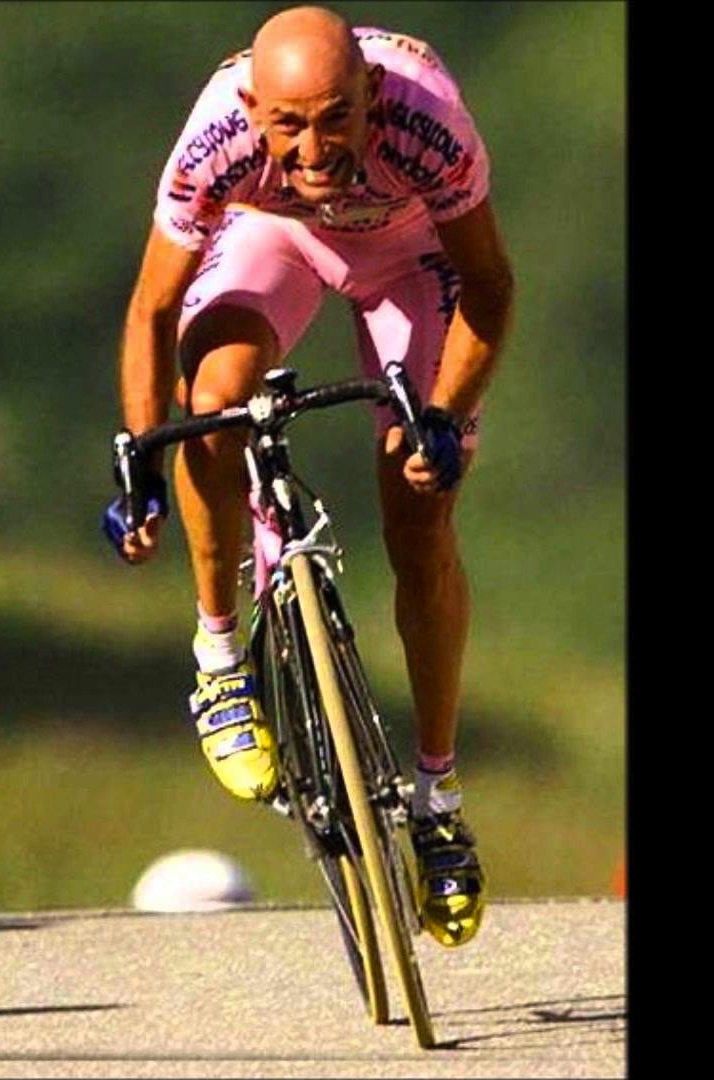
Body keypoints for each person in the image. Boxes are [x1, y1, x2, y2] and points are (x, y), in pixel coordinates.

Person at [101, 7, 513, 947]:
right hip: (271, 240)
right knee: (214, 397)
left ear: (371, 95)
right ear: (254, 108)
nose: (315, 148)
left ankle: (439, 802)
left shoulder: (428, 118)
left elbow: (490, 285)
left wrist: (444, 418)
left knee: (419, 504)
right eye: (288, 125)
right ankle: (218, 659)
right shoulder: (218, 135)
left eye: (336, 118)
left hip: (412, 256)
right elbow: (151, 306)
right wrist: (142, 456)